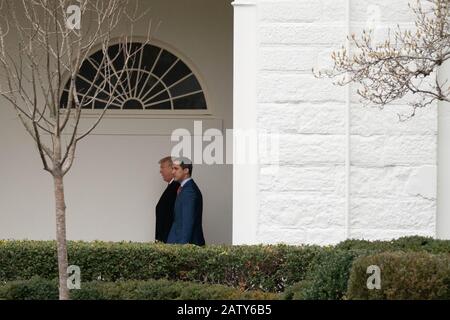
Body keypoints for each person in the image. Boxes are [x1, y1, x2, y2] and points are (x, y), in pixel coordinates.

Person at [167, 157, 205, 246]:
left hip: (184, 246)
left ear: (186, 170)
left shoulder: (189, 191)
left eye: (176, 168)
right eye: (172, 169)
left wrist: (181, 250)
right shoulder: (185, 189)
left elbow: (187, 223)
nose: (172, 172)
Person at [155, 156, 180, 243]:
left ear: (171, 168)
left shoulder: (176, 187)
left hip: (169, 241)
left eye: (162, 167)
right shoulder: (171, 186)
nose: (160, 171)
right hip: (165, 240)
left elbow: (173, 217)